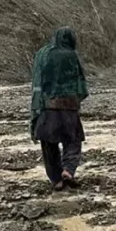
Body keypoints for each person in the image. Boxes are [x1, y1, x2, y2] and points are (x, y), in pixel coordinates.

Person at [30, 27, 89, 191]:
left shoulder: (42, 54)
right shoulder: (71, 55)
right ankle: (68, 171)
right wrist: (75, 98)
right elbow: (81, 82)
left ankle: (56, 179)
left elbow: (36, 80)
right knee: (73, 140)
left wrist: (36, 106)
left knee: (49, 145)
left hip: (46, 107)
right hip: (69, 108)